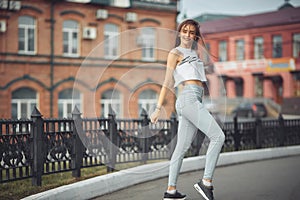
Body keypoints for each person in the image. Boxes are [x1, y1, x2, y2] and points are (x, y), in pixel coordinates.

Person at [150, 19, 225, 200]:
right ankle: (206, 183)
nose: (188, 35)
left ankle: (171, 191)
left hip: (195, 98)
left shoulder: (194, 53)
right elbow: (168, 81)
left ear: (195, 35)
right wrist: (158, 108)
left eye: (192, 32)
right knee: (218, 136)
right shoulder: (175, 53)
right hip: (188, 98)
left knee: (181, 149)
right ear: (179, 33)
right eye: (185, 31)